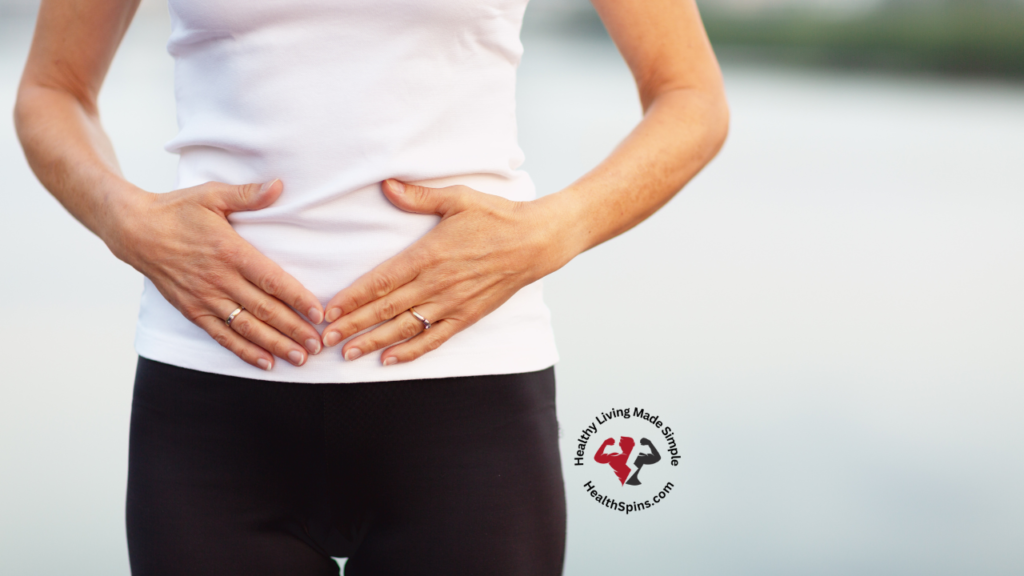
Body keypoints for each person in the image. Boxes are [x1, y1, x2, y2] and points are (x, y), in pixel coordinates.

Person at [14, 0, 728, 573]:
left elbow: (690, 95)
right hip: (211, 397)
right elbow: (52, 89)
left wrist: (551, 231)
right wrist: (124, 218)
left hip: (467, 398)